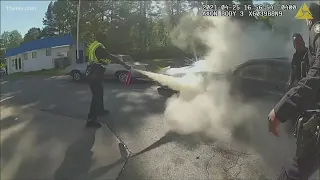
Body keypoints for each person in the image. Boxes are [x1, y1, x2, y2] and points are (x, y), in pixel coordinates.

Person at [268, 3, 320, 180]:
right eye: (294, 41)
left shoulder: (317, 30)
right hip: (305, 103)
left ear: (310, 17)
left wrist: (283, 107)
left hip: (308, 104)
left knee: (295, 170)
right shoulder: (298, 56)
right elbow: (296, 76)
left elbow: (316, 75)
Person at [86, 35, 131, 128]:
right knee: (96, 96)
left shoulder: (93, 45)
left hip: (93, 71)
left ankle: (100, 111)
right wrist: (124, 64)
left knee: (99, 93)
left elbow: (101, 59)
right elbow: (110, 57)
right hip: (95, 72)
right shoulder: (99, 47)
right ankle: (91, 119)